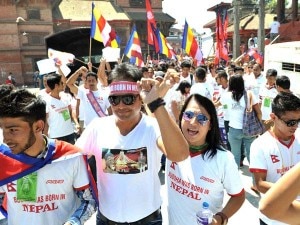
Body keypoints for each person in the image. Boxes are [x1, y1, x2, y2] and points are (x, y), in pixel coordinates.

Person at [75, 62, 189, 225]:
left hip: (147, 220)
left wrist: (155, 102)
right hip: (107, 219)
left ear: (140, 98)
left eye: (128, 99)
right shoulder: (97, 127)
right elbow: (72, 160)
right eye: (114, 99)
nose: (121, 106)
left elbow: (180, 155)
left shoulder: (153, 127)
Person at [0, 87, 97, 225]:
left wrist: (73, 223)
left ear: (38, 126)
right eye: (3, 130)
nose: (5, 139)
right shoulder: (3, 159)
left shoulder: (70, 156)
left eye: (13, 130)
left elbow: (89, 201)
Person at [165, 93, 245, 225]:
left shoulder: (224, 159)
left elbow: (238, 196)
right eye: (188, 115)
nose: (193, 122)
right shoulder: (169, 148)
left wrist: (220, 219)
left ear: (211, 125)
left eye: (202, 118)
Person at [249, 92, 300, 225]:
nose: (295, 126)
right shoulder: (260, 145)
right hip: (272, 219)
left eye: (299, 121)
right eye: (291, 122)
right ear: (273, 117)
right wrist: (289, 194)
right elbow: (259, 184)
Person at [220, 74, 262, 168]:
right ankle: (256, 180)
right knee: (252, 156)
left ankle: (236, 180)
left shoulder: (226, 96)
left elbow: (224, 108)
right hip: (249, 129)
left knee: (235, 156)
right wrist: (258, 125)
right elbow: (259, 112)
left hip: (234, 129)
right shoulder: (249, 94)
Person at [43, 73, 78, 144]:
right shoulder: (46, 101)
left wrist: (76, 123)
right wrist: (45, 136)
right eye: (61, 83)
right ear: (56, 86)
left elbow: (71, 113)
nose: (63, 84)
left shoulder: (65, 97)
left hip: (70, 133)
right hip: (56, 136)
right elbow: (45, 121)